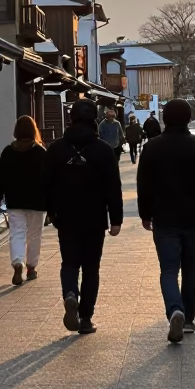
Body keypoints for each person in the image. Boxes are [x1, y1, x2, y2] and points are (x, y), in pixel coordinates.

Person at [137, 98, 195, 344]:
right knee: (191, 269)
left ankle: (175, 308)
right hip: (194, 217)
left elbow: (144, 186)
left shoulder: (152, 148)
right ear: (188, 118)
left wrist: (145, 214)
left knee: (168, 270)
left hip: (164, 217)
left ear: (165, 118)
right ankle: (187, 319)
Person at [41, 99, 123, 335]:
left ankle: (69, 293)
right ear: (94, 120)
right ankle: (86, 317)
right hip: (95, 217)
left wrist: (50, 211)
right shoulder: (104, 150)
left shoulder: (56, 149)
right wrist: (115, 219)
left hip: (65, 216)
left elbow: (44, 182)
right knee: (90, 267)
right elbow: (113, 187)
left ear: (71, 119)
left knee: (69, 262)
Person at [0, 116, 47, 286]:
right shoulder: (40, 152)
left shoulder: (8, 152)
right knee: (34, 235)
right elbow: (48, 177)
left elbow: (0, 176)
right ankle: (31, 267)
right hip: (38, 200)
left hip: (15, 200)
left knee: (17, 233)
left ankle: (18, 263)